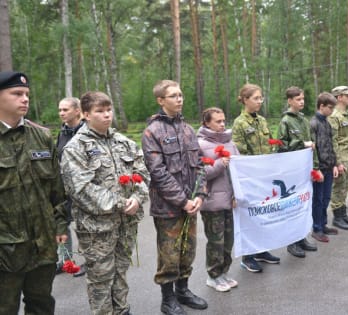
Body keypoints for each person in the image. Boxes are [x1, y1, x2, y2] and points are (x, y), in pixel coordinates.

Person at [60, 91, 150, 315]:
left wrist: (138, 198)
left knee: (121, 271)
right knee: (101, 278)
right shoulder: (75, 148)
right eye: (100, 111)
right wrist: (121, 203)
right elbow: (80, 189)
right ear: (86, 115)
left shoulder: (124, 143)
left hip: (126, 224)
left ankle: (122, 310)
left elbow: (143, 174)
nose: (106, 115)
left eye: (109, 110)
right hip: (96, 229)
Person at [0, 71, 68, 314]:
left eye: (27, 94)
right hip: (5, 250)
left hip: (42, 245)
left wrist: (60, 226)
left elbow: (57, 189)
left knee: (41, 304)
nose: (25, 99)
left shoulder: (42, 136)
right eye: (17, 94)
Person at [141, 80, 208, 315]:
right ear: (161, 100)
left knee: (187, 251)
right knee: (169, 254)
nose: (179, 99)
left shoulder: (188, 129)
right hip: (168, 207)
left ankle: (183, 291)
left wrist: (200, 194)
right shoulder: (153, 131)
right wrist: (183, 200)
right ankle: (167, 299)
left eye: (180, 95)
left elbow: (200, 164)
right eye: (173, 96)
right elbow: (157, 172)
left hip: (190, 204)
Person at [232, 83, 281, 273]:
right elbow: (238, 154)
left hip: (264, 177)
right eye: (256, 98)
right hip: (250, 178)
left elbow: (268, 146)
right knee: (250, 217)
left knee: (264, 214)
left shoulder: (261, 120)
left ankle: (261, 250)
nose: (260, 101)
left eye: (261, 98)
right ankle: (248, 256)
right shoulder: (240, 123)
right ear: (245, 100)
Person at [197, 107, 239, 292]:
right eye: (217, 121)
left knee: (229, 240)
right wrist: (218, 165)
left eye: (223, 121)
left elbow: (239, 171)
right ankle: (213, 276)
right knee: (216, 241)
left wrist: (237, 195)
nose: (222, 124)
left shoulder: (230, 143)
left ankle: (224, 272)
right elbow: (198, 174)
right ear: (207, 123)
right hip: (212, 202)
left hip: (230, 201)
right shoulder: (199, 144)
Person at [277, 86, 318, 257]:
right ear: (290, 101)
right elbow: (281, 146)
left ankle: (301, 237)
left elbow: (312, 144)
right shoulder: (285, 121)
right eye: (298, 99)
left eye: (303, 99)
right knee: (291, 206)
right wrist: (301, 144)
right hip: (291, 170)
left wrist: (314, 167)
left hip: (304, 169)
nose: (301, 102)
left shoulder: (303, 119)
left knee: (303, 205)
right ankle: (291, 242)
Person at [56, 97, 86, 277]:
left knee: (84, 227)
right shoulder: (62, 132)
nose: (61, 113)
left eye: (65, 110)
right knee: (61, 224)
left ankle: (90, 262)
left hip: (83, 190)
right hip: (64, 189)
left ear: (77, 111)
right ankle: (66, 261)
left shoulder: (87, 132)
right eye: (60, 110)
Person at [328, 86, 348, 230]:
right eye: (347, 95)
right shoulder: (334, 116)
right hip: (341, 157)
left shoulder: (346, 114)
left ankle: (343, 213)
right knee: (338, 187)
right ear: (339, 97)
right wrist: (338, 162)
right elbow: (333, 141)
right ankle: (337, 217)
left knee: (345, 187)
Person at [309, 92, 339, 242]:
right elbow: (313, 149)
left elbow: (330, 146)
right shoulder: (313, 123)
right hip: (319, 169)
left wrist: (334, 164)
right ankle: (317, 228)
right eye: (330, 107)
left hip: (328, 167)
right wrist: (316, 169)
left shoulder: (327, 123)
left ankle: (323, 223)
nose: (332, 110)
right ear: (321, 106)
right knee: (318, 199)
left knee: (326, 197)